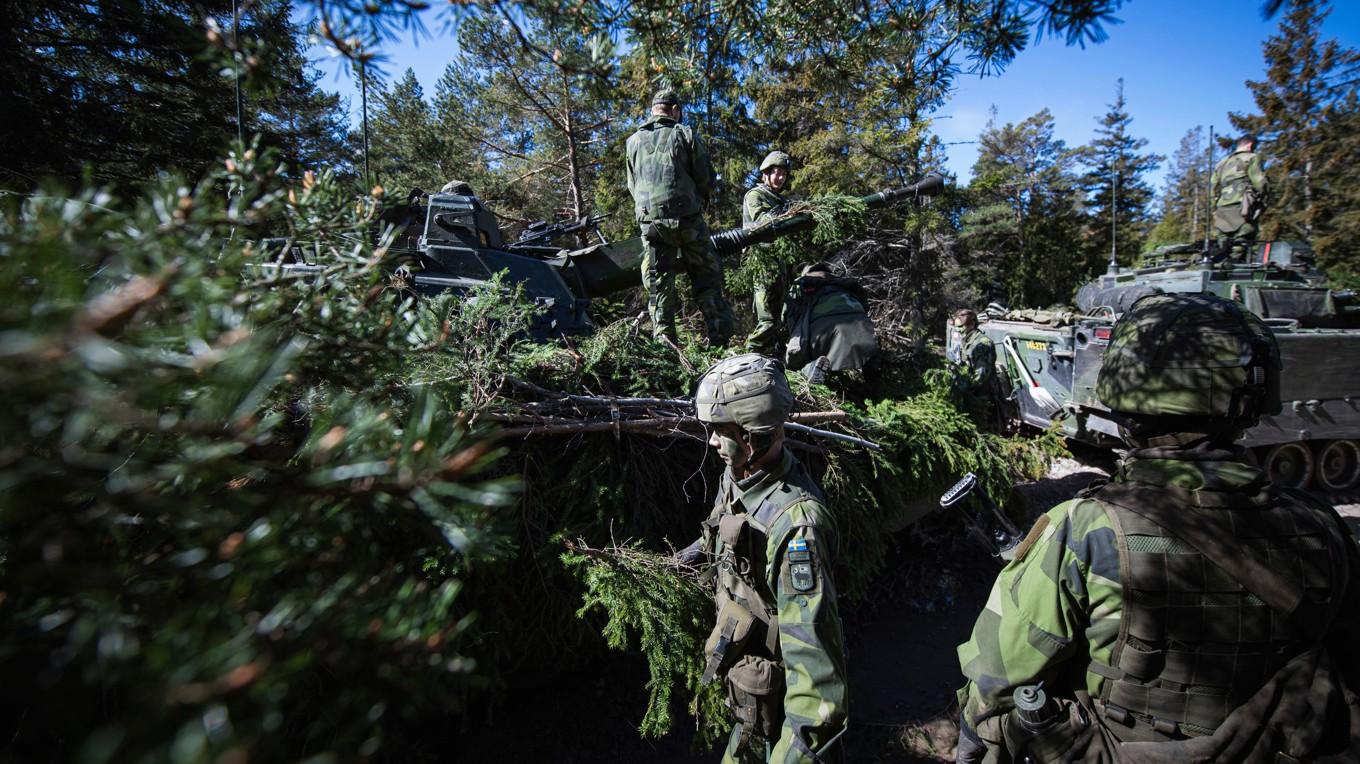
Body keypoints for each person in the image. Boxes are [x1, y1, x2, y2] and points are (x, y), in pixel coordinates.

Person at [954, 292, 1360, 763]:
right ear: (1249, 403)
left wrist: (973, 740)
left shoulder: (1084, 530)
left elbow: (996, 677)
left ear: (1126, 401)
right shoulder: (1323, 527)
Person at [679, 354, 848, 762]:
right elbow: (723, 533)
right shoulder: (740, 475)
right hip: (747, 683)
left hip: (779, 707)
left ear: (754, 435)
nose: (712, 442)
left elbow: (817, 686)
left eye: (721, 433)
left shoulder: (796, 528)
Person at [625, 88, 734, 346]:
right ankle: (720, 344)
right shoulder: (684, 133)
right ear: (674, 110)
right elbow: (705, 178)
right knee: (707, 278)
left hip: (651, 225)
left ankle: (667, 348)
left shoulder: (633, 142)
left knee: (658, 286)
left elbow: (632, 185)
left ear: (654, 110)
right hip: (688, 222)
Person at [742, 151, 794, 355]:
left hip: (778, 262)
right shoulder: (756, 195)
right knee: (767, 319)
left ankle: (774, 359)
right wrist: (789, 214)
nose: (780, 178)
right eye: (776, 173)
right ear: (766, 173)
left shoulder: (779, 200)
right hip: (762, 261)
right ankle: (750, 356)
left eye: (783, 174)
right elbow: (762, 223)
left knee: (780, 318)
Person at [1210, 135, 1268, 256]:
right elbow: (1260, 182)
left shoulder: (1221, 163)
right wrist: (1263, 199)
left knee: (1223, 244)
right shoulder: (1252, 157)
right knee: (1243, 241)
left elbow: (1213, 188)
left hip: (1222, 207)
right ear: (1250, 145)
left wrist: (1214, 208)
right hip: (1243, 205)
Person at [949, 309, 995, 393]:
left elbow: (981, 375)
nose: (958, 330)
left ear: (972, 324)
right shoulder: (966, 341)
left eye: (961, 327)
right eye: (956, 327)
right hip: (971, 388)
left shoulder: (982, 343)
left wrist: (963, 387)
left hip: (983, 395)